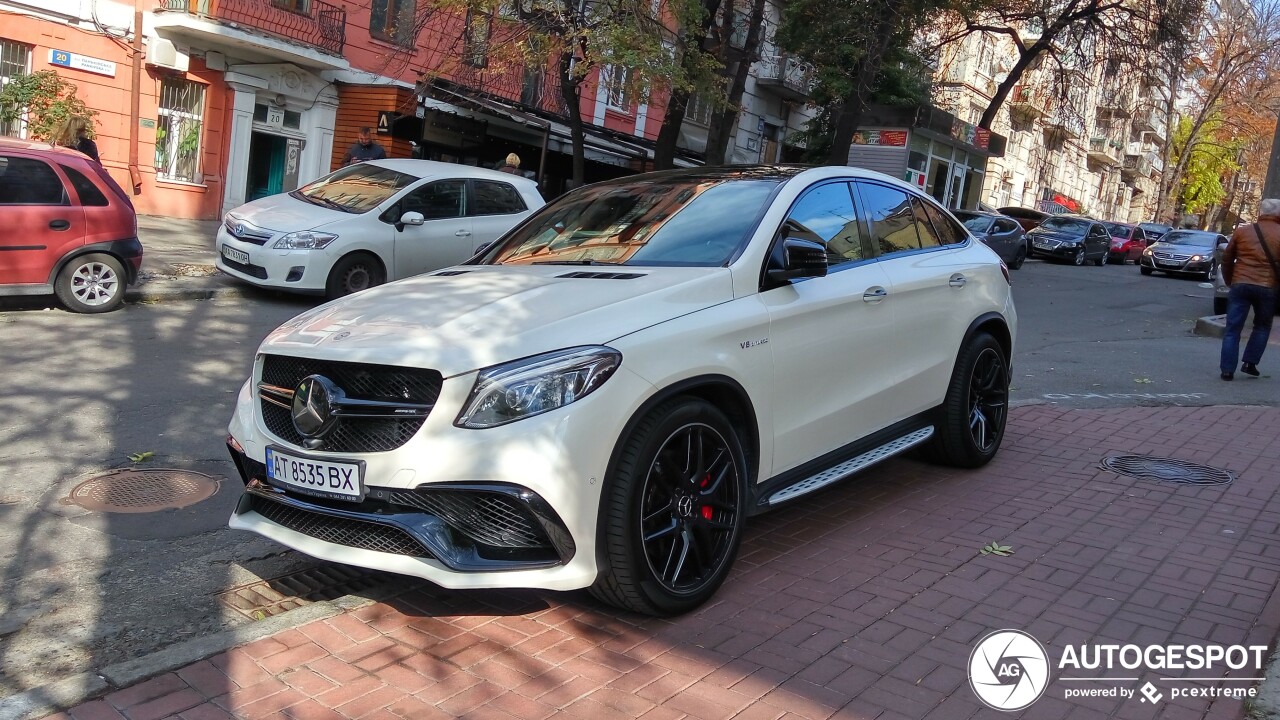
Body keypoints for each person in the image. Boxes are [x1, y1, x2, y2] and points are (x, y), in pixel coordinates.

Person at [1219, 197, 1280, 380]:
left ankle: (1227, 370)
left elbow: (1227, 259)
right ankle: (1250, 363)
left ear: (1261, 212)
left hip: (1240, 284)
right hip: (1267, 286)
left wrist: (1231, 281)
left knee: (1232, 328)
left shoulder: (1242, 232)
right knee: (1262, 326)